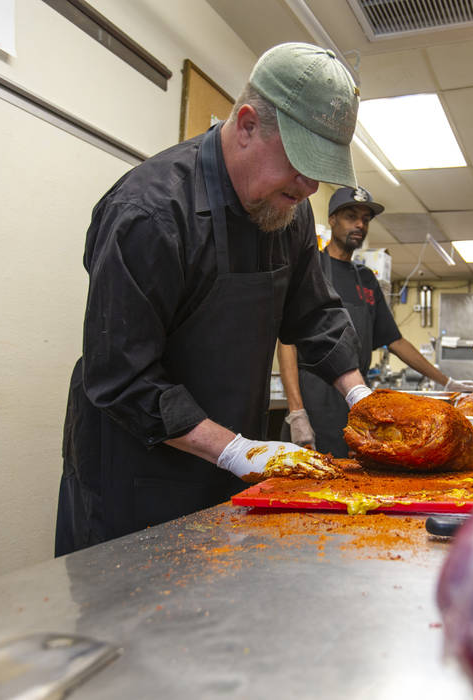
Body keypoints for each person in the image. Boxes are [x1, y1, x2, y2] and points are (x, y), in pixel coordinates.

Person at [55, 43, 374, 556]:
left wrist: (363, 399)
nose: (309, 185)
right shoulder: (149, 214)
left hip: (224, 475)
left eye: (319, 170)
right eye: (298, 162)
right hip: (135, 481)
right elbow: (121, 376)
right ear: (247, 124)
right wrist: (234, 450)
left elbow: (313, 313)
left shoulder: (288, 210)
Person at [277, 186, 473, 457]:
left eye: (365, 219)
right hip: (314, 401)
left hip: (356, 402)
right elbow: (287, 341)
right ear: (332, 219)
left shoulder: (365, 278)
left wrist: (447, 382)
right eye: (351, 216)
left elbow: (395, 341)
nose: (359, 224)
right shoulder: (312, 268)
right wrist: (296, 412)